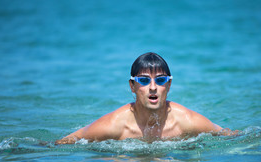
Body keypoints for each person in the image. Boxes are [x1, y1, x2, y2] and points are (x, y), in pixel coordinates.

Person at [56, 52, 238, 144]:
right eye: (143, 80)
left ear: (169, 85)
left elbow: (231, 137)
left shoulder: (187, 122)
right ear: (132, 86)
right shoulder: (115, 126)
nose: (152, 87)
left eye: (160, 80)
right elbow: (64, 144)